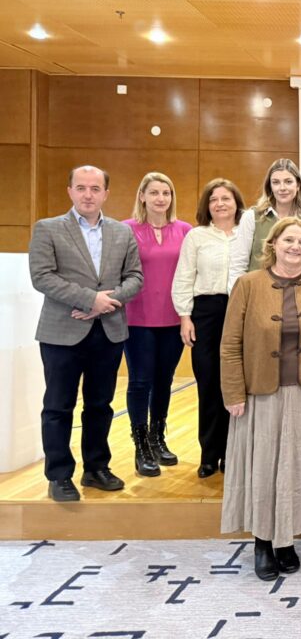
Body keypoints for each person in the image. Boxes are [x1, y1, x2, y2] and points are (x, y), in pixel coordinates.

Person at [220, 217, 301, 580]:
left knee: (295, 468)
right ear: (272, 244)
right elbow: (229, 344)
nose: (295, 247)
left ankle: (286, 540)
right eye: (289, 240)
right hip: (259, 393)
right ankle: (262, 542)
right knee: (263, 468)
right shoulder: (248, 284)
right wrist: (234, 392)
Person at [29, 166, 143, 502]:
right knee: (58, 406)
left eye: (95, 188)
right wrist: (89, 299)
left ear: (106, 193)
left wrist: (106, 303)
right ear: (70, 191)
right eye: (81, 188)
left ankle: (96, 468)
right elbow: (42, 276)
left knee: (100, 404)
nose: (88, 195)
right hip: (61, 333)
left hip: (107, 331)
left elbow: (135, 277)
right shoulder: (48, 228)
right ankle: (59, 475)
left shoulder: (122, 232)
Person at [172, 178, 244, 478]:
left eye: (226, 198)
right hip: (206, 313)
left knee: (238, 384)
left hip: (241, 311)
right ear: (207, 206)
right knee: (209, 382)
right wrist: (185, 316)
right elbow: (184, 276)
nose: (220, 204)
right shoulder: (196, 236)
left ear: (236, 203)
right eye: (214, 199)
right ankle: (209, 454)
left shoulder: (247, 234)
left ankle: (234, 453)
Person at [122, 172, 192, 478]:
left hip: (174, 318)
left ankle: (157, 438)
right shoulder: (126, 229)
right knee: (140, 381)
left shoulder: (185, 230)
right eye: (154, 192)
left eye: (166, 192)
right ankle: (140, 446)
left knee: (164, 381)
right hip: (137, 318)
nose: (160, 198)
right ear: (142, 196)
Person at [228, 158, 301, 291]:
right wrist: (237, 296)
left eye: (288, 182)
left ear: (298, 185)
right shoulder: (251, 217)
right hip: (256, 292)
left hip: (294, 294)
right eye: (276, 182)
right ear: (270, 187)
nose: (282, 188)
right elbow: (238, 264)